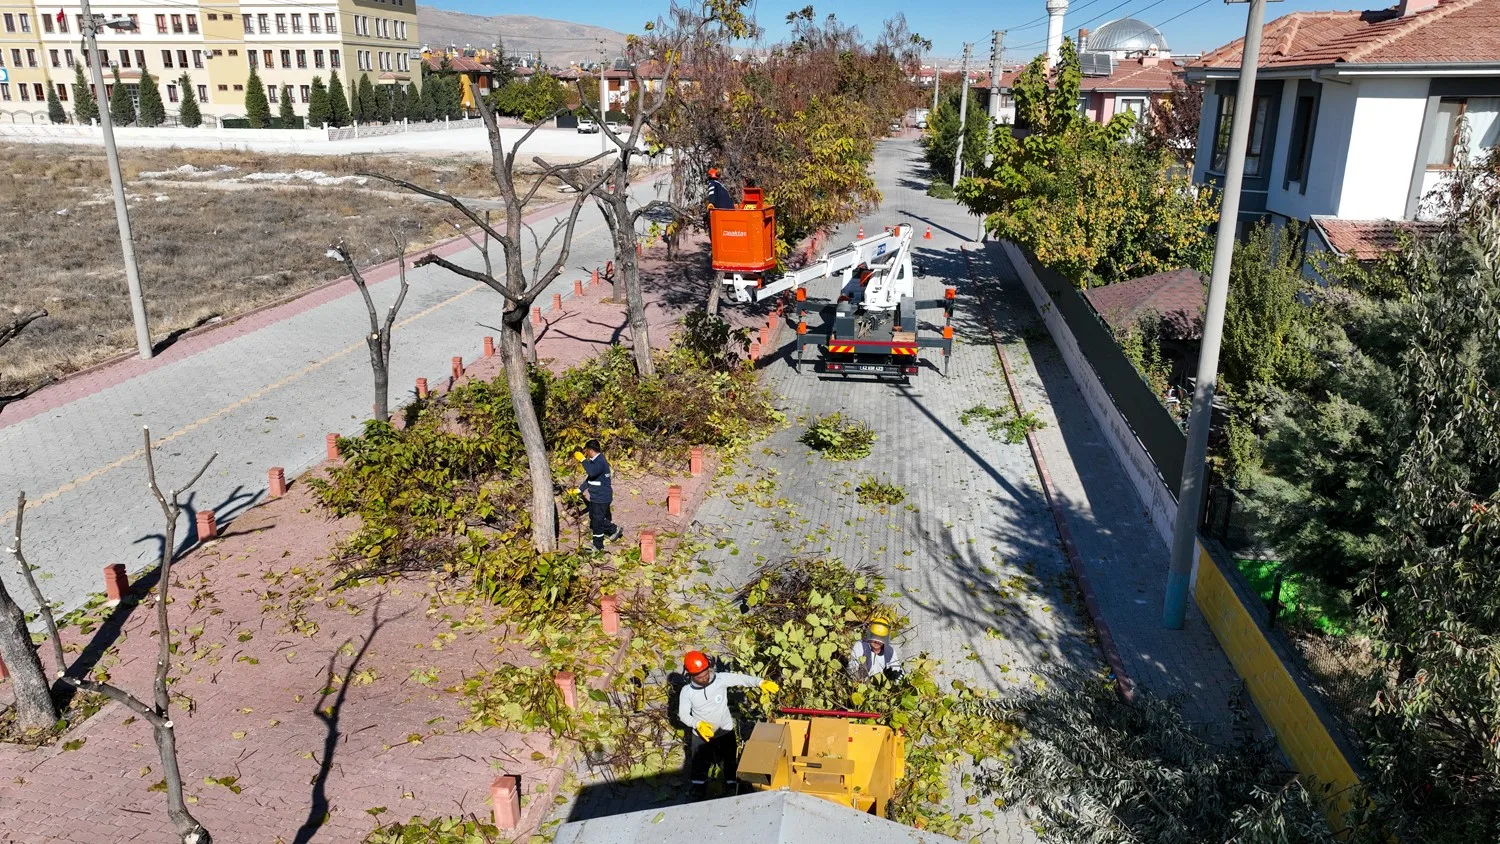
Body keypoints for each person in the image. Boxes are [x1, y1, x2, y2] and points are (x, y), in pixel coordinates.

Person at [677, 650, 779, 799]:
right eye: (700, 676)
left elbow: (740, 679)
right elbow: (684, 715)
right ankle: (699, 789)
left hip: (725, 730)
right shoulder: (687, 692)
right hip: (701, 735)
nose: (705, 677)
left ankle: (732, 784)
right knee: (700, 764)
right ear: (691, 675)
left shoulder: (720, 679)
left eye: (706, 673)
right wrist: (697, 724)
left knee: (729, 760)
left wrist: (760, 682)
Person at [575, 439, 623, 551]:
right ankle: (614, 529)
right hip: (597, 496)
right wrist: (579, 490)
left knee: (597, 522)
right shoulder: (594, 461)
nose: (586, 454)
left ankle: (598, 546)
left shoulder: (600, 461)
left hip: (601, 497)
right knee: (595, 517)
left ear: (591, 450)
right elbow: (590, 478)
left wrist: (582, 460)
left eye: (587, 451)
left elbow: (591, 472)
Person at [847, 616, 902, 681]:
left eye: (881, 638)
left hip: (882, 688)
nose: (877, 641)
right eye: (874, 636)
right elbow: (852, 669)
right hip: (861, 685)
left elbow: (897, 675)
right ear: (870, 634)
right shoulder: (860, 646)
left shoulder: (890, 652)